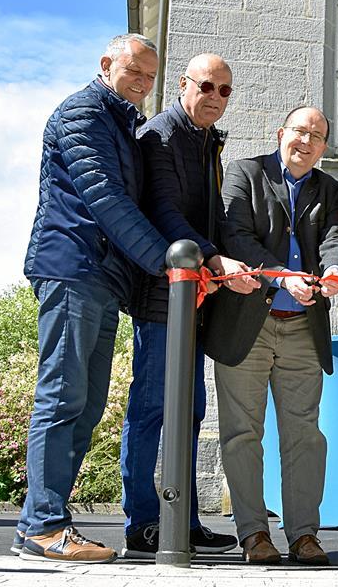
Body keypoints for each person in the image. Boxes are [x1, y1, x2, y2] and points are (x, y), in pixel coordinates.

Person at [18, 34, 171, 563]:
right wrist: (166, 261)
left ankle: (43, 522)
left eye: (151, 77)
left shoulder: (123, 124)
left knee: (85, 404)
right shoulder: (83, 112)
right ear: (106, 64)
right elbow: (105, 199)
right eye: (135, 71)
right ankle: (43, 526)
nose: (144, 84)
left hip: (102, 278)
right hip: (72, 269)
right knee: (62, 396)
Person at [121, 53, 259, 559]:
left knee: (190, 412)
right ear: (184, 84)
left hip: (197, 297)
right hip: (164, 293)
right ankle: (142, 523)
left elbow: (210, 217)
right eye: (207, 86)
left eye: (226, 90)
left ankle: (183, 520)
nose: (216, 98)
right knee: (154, 408)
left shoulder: (208, 142)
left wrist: (234, 262)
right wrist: (216, 258)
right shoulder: (160, 135)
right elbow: (162, 210)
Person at [201, 106, 338, 566]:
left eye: (317, 136)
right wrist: (283, 276)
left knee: (305, 435)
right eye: (300, 131)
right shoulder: (246, 173)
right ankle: (253, 534)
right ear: (281, 132)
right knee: (242, 433)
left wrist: (332, 270)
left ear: (325, 147)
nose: (306, 141)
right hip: (247, 325)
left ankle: (304, 534)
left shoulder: (331, 189)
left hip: (303, 329)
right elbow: (235, 235)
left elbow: (335, 238)